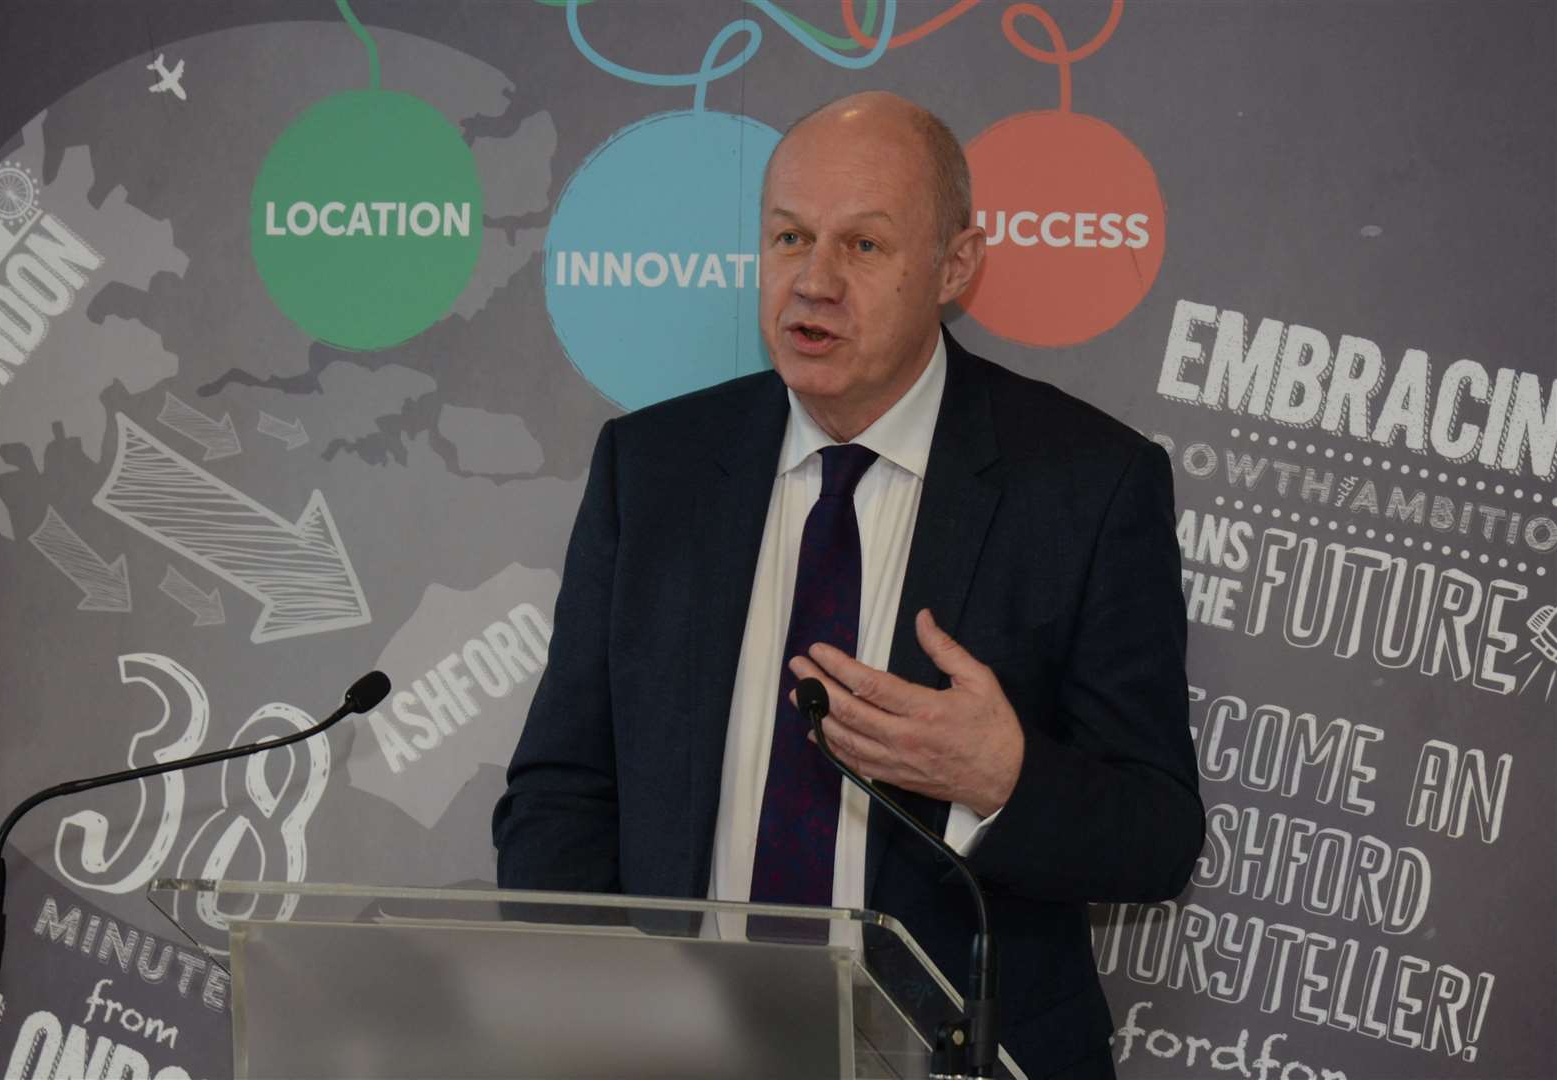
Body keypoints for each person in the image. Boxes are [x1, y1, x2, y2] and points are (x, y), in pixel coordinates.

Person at [493, 91, 1203, 1080]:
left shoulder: (1086, 485)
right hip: (675, 1054)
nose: (813, 282)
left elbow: (1158, 836)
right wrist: (587, 1014)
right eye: (789, 237)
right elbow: (563, 791)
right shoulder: (651, 470)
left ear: (956, 266)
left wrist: (1003, 781)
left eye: (864, 247)